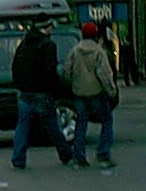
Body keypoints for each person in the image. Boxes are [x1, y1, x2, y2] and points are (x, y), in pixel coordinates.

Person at [10, 14, 73, 170]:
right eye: (51, 26)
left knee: (22, 127)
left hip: (25, 92)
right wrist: (54, 90)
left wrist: (20, 85)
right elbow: (50, 71)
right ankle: (65, 152)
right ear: (46, 28)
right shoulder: (48, 45)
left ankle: (18, 158)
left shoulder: (24, 43)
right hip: (42, 93)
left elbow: (16, 67)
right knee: (52, 125)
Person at [64, 23, 118, 169]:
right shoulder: (99, 52)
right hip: (96, 93)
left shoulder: (75, 51)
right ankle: (103, 153)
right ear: (95, 35)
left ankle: (79, 157)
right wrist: (111, 91)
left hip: (80, 93)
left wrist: (74, 84)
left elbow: (67, 71)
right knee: (107, 120)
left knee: (81, 124)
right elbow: (105, 74)